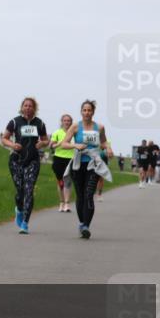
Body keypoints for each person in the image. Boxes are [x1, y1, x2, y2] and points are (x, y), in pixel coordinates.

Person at [61, 100, 112, 239]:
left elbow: (103, 142)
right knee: (81, 195)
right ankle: (82, 222)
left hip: (93, 164)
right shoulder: (75, 127)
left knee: (89, 194)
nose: (87, 113)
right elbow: (64, 144)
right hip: (78, 165)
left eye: (89, 110)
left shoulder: (99, 127)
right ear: (81, 112)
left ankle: (86, 227)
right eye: (84, 110)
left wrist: (108, 148)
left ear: (93, 112)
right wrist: (75, 146)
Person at [1, 98, 49, 233]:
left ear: (34, 108)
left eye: (30, 106)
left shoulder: (40, 123)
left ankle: (25, 224)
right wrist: (12, 145)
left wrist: (41, 143)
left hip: (33, 160)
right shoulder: (15, 122)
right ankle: (19, 209)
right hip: (16, 160)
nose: (28, 108)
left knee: (29, 190)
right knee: (20, 191)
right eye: (25, 105)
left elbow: (46, 140)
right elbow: (4, 138)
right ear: (22, 107)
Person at [48, 114, 75, 212]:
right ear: (62, 122)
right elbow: (51, 146)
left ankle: (67, 204)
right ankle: (61, 202)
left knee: (68, 181)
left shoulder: (74, 133)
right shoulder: (57, 132)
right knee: (60, 183)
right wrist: (61, 143)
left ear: (71, 122)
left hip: (70, 159)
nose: (67, 122)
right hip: (58, 158)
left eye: (69, 121)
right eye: (65, 120)